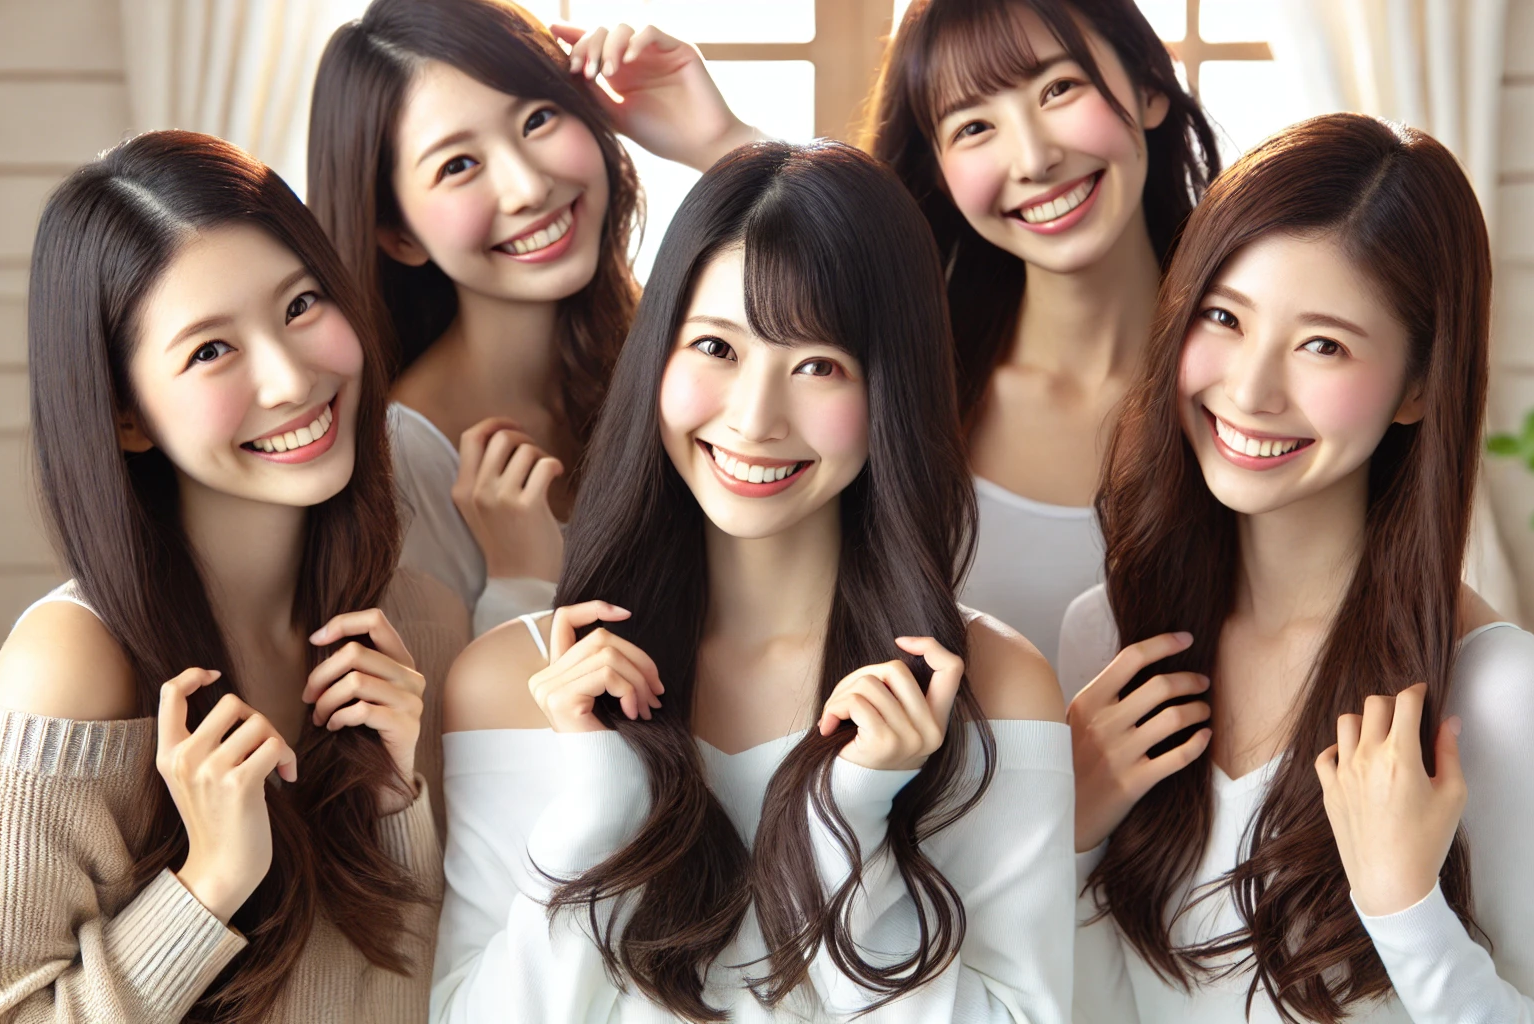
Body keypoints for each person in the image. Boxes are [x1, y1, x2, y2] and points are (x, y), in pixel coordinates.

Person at [432, 141, 1074, 1021]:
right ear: (658, 352)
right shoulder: (517, 683)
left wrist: (851, 816)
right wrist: (601, 808)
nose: (754, 417)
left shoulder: (989, 687)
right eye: (716, 347)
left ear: (891, 390)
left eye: (817, 365)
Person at [0, 131, 468, 1023]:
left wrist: (395, 805)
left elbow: (431, 989)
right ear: (126, 414)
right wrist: (208, 888)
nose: (288, 376)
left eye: (302, 303)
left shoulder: (416, 626)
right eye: (209, 351)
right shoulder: (79, 658)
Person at [1059, 113, 1534, 1023]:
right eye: (1224, 318)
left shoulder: (1494, 692)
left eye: (1323, 344)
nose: (1250, 390)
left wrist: (1408, 915)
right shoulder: (1112, 637)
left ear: (1418, 387)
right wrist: (1069, 839)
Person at [309, 0, 762, 633]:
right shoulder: (399, 462)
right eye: (458, 165)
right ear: (398, 234)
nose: (528, 186)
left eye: (538, 119)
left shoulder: (676, 348)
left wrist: (723, 144)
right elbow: (436, 725)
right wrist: (520, 584)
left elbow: (866, 316)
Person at [863, 0, 1219, 669]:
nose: (1033, 157)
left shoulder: (1253, 390)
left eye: (1059, 88)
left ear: (1148, 85)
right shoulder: (910, 397)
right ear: (938, 172)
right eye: (973, 126)